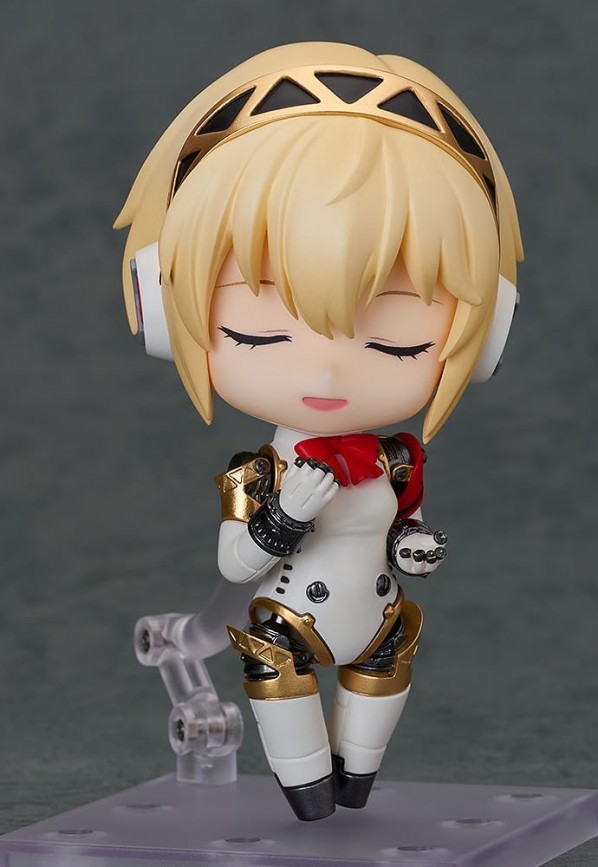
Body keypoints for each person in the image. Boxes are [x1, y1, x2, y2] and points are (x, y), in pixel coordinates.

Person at [115, 41, 523, 821]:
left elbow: (399, 526)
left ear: (488, 333)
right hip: (285, 626)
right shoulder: (259, 471)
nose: (329, 372)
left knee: (361, 759)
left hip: (380, 620)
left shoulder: (396, 459)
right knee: (302, 764)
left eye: (396, 343)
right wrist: (287, 513)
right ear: (161, 309)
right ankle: (307, 794)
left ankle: (353, 778)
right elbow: (235, 562)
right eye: (262, 334)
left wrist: (413, 546)